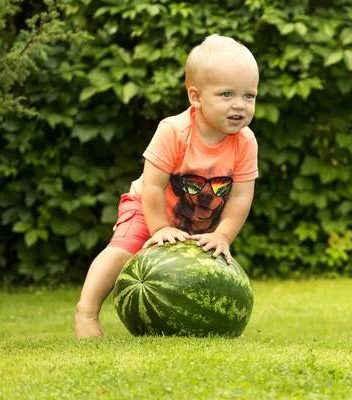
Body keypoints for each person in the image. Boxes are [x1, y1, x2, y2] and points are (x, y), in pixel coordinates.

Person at [74, 34, 259, 338]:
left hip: (198, 218)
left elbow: (240, 198)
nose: (239, 105)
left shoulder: (245, 142)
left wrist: (223, 235)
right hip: (149, 207)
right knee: (123, 250)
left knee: (208, 266)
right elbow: (153, 185)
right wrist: (158, 227)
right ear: (196, 97)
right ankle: (87, 311)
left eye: (249, 95)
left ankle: (218, 323)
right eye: (226, 94)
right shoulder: (173, 131)